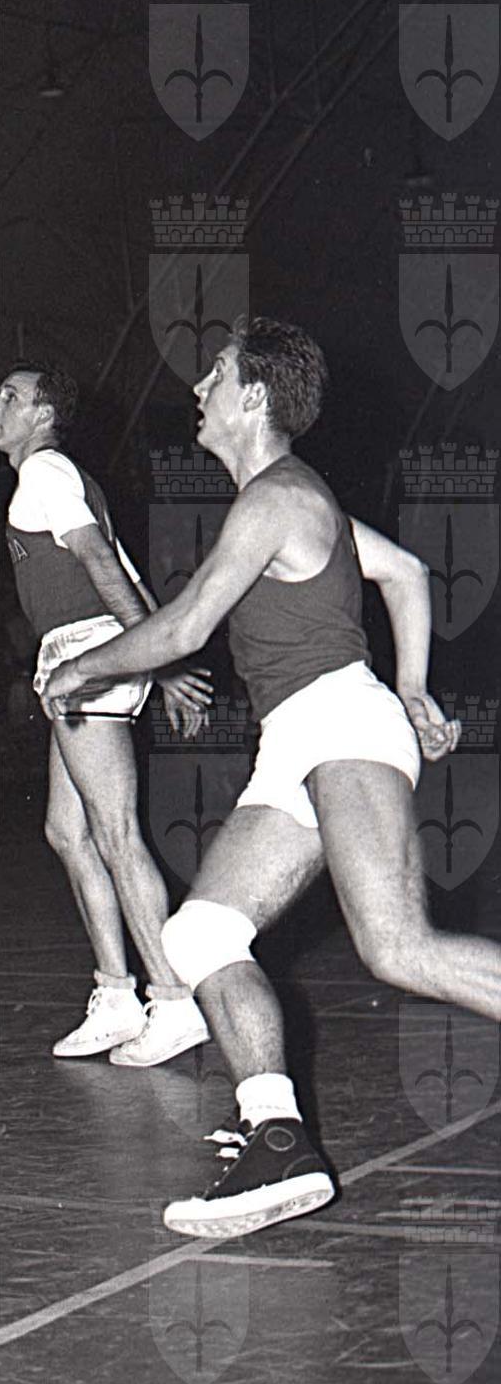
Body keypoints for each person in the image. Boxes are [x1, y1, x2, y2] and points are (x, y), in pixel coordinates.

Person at [42, 319, 493, 1239]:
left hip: (338, 724)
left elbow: (183, 628)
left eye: (213, 374)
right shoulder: (290, 500)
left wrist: (82, 668)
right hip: (300, 736)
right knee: (200, 933)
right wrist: (412, 688)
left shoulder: (277, 498)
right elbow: (406, 573)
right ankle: (276, 1137)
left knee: (396, 948)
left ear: (252, 397)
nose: (196, 389)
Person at [0, 360, 214, 1067]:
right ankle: (117, 997)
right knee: (67, 830)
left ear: (43, 415)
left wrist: (157, 658)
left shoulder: (44, 470)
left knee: (114, 831)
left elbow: (100, 565)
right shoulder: (65, 478)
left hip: (88, 653)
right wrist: (156, 652)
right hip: (85, 652)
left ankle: (174, 1002)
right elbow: (127, 568)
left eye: (10, 397)